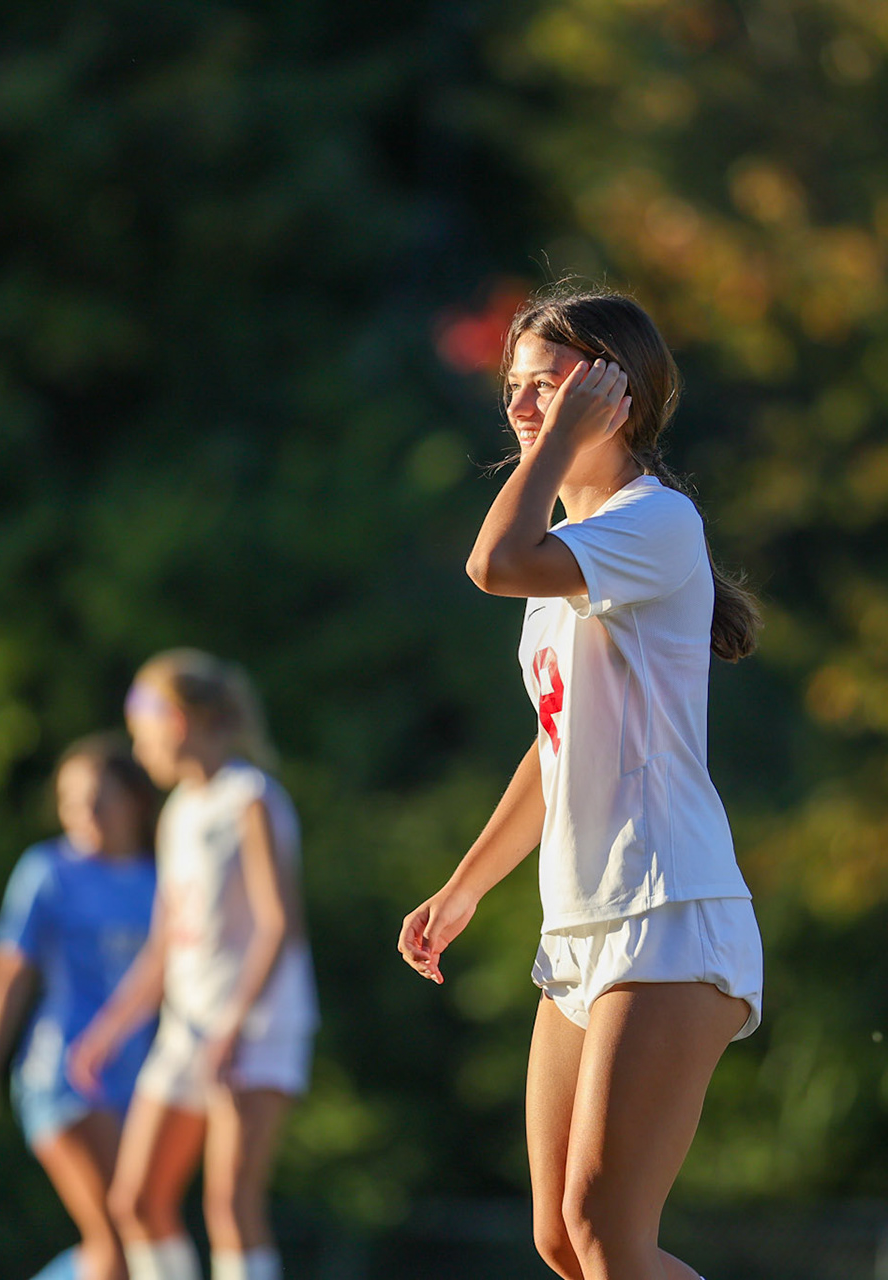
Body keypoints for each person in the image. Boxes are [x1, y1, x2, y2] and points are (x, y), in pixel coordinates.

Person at [398, 283, 764, 1280]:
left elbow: (491, 560)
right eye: (515, 387)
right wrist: (466, 882)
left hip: (670, 906)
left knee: (609, 1235)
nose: (523, 405)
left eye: (550, 386)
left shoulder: (655, 521)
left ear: (619, 399)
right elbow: (553, 745)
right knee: (562, 1240)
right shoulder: (582, 555)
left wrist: (555, 445)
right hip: (583, 922)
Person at [69, 650, 316, 1280]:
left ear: (176, 722)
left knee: (230, 1203)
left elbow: (278, 924)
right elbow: (164, 945)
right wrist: (108, 1030)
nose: (136, 743)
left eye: (141, 725)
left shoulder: (250, 798)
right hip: (190, 1027)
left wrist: (233, 1026)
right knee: (136, 1200)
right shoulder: (179, 810)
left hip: (254, 1027)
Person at [0, 733, 161, 1280]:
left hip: (139, 1080)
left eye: (97, 798)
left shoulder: (165, 878)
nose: (82, 813)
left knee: (136, 1241)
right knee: (117, 1237)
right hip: (60, 1072)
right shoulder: (48, 872)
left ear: (134, 799)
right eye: (69, 800)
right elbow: (8, 977)